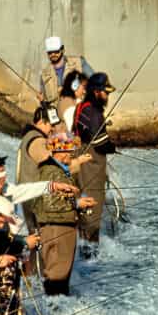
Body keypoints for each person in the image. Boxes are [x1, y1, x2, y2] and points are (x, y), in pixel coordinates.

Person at [32, 134, 96, 295]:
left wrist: (78, 203)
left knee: (60, 274)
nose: (72, 154)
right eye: (70, 151)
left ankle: (57, 308)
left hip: (60, 228)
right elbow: (51, 203)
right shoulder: (52, 171)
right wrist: (78, 204)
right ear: (59, 152)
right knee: (57, 275)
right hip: (57, 230)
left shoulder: (55, 170)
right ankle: (55, 312)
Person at [74, 71, 117, 251]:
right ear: (97, 92)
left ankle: (85, 250)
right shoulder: (93, 112)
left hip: (82, 163)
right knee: (92, 210)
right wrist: (112, 147)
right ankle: (91, 257)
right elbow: (101, 144)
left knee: (84, 210)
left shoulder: (84, 106)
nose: (107, 96)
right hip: (91, 167)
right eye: (105, 92)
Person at [40, 36, 93, 110]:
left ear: (62, 49)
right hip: (58, 117)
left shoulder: (79, 63)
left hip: (80, 114)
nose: (53, 54)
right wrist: (42, 101)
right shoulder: (44, 75)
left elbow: (94, 82)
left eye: (56, 51)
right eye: (50, 52)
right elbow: (45, 101)